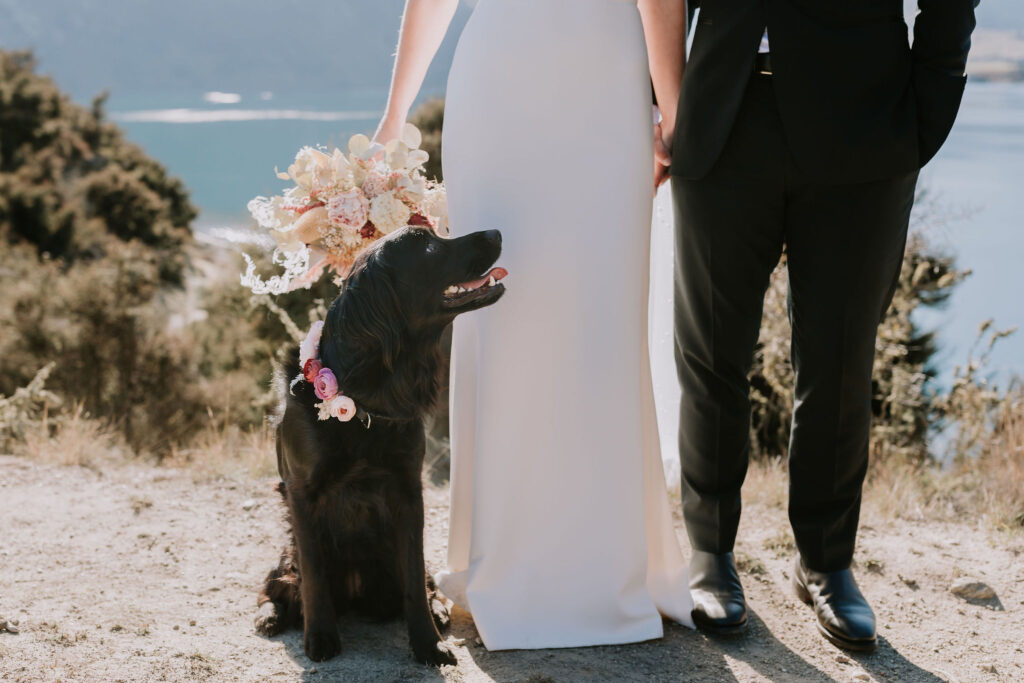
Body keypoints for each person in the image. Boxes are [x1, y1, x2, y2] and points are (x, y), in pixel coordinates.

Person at [374, 0, 694, 649]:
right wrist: (678, 113)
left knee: (558, 313)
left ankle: (547, 564)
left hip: (555, 77)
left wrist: (395, 117)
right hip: (560, 79)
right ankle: (558, 565)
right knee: (542, 312)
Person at [664, 0, 978, 652]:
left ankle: (827, 562)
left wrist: (927, 111)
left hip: (864, 120)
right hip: (722, 109)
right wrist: (658, 100)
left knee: (838, 356)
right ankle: (710, 551)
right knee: (711, 348)